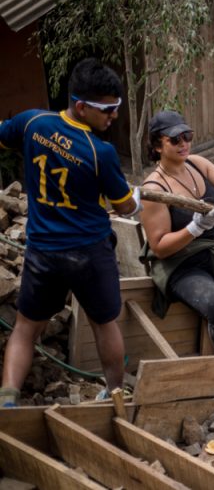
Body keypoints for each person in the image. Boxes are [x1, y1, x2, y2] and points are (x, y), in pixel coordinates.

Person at [0, 58, 140, 407]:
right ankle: (115, 394)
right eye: (107, 110)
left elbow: (3, 134)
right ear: (81, 105)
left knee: (25, 327)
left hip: (43, 251)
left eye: (116, 108)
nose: (113, 117)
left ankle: (6, 400)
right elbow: (124, 207)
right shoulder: (100, 152)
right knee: (104, 323)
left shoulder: (32, 122)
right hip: (89, 251)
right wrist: (134, 197)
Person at [139, 111, 214, 355]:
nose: (184, 144)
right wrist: (195, 228)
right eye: (175, 140)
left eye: (187, 136)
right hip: (182, 265)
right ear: (158, 145)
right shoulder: (154, 189)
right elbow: (159, 246)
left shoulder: (197, 164)